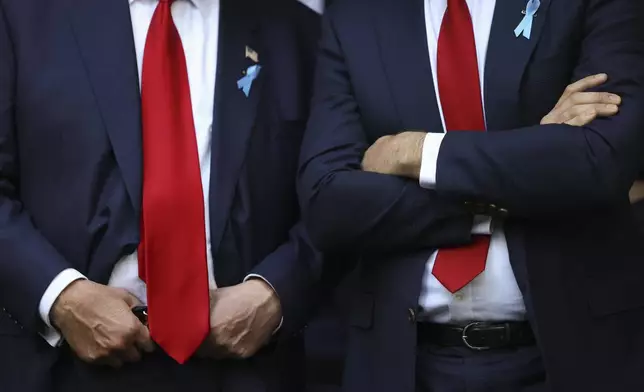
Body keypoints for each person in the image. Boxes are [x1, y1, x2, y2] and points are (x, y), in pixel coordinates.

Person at [298, 0, 644, 391]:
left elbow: (601, 161)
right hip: (405, 362)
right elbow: (328, 203)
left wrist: (416, 152)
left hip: (572, 350)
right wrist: (533, 153)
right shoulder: (357, 14)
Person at [0, 0, 327, 391]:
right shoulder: (23, 17)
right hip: (64, 363)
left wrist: (275, 294)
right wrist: (61, 297)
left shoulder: (299, 33)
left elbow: (333, 198)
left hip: (245, 366)